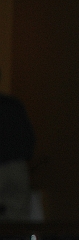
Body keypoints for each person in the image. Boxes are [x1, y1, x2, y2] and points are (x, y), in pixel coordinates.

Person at [0, 68, 35, 220]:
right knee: (18, 219)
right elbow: (29, 138)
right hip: (18, 167)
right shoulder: (14, 104)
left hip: (10, 165)